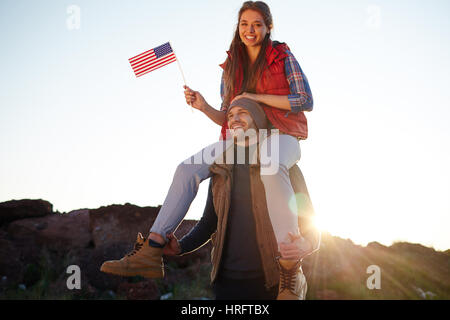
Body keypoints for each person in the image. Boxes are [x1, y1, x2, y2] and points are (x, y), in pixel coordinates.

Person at [100, 0, 314, 289]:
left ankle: (290, 271)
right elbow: (231, 119)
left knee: (272, 166)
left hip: (281, 134)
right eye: (244, 24)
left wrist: (255, 97)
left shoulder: (282, 56)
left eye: (257, 24)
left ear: (268, 27)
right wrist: (203, 107)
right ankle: (152, 249)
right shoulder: (231, 66)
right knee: (186, 169)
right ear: (238, 27)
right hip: (242, 140)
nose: (250, 30)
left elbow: (304, 100)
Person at [163, 98, 320, 300]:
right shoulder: (221, 170)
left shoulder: (283, 165)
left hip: (273, 282)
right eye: (230, 115)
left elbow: (312, 225)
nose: (234, 118)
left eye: (242, 112)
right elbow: (209, 223)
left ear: (258, 118)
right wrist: (181, 247)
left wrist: (306, 245)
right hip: (226, 283)